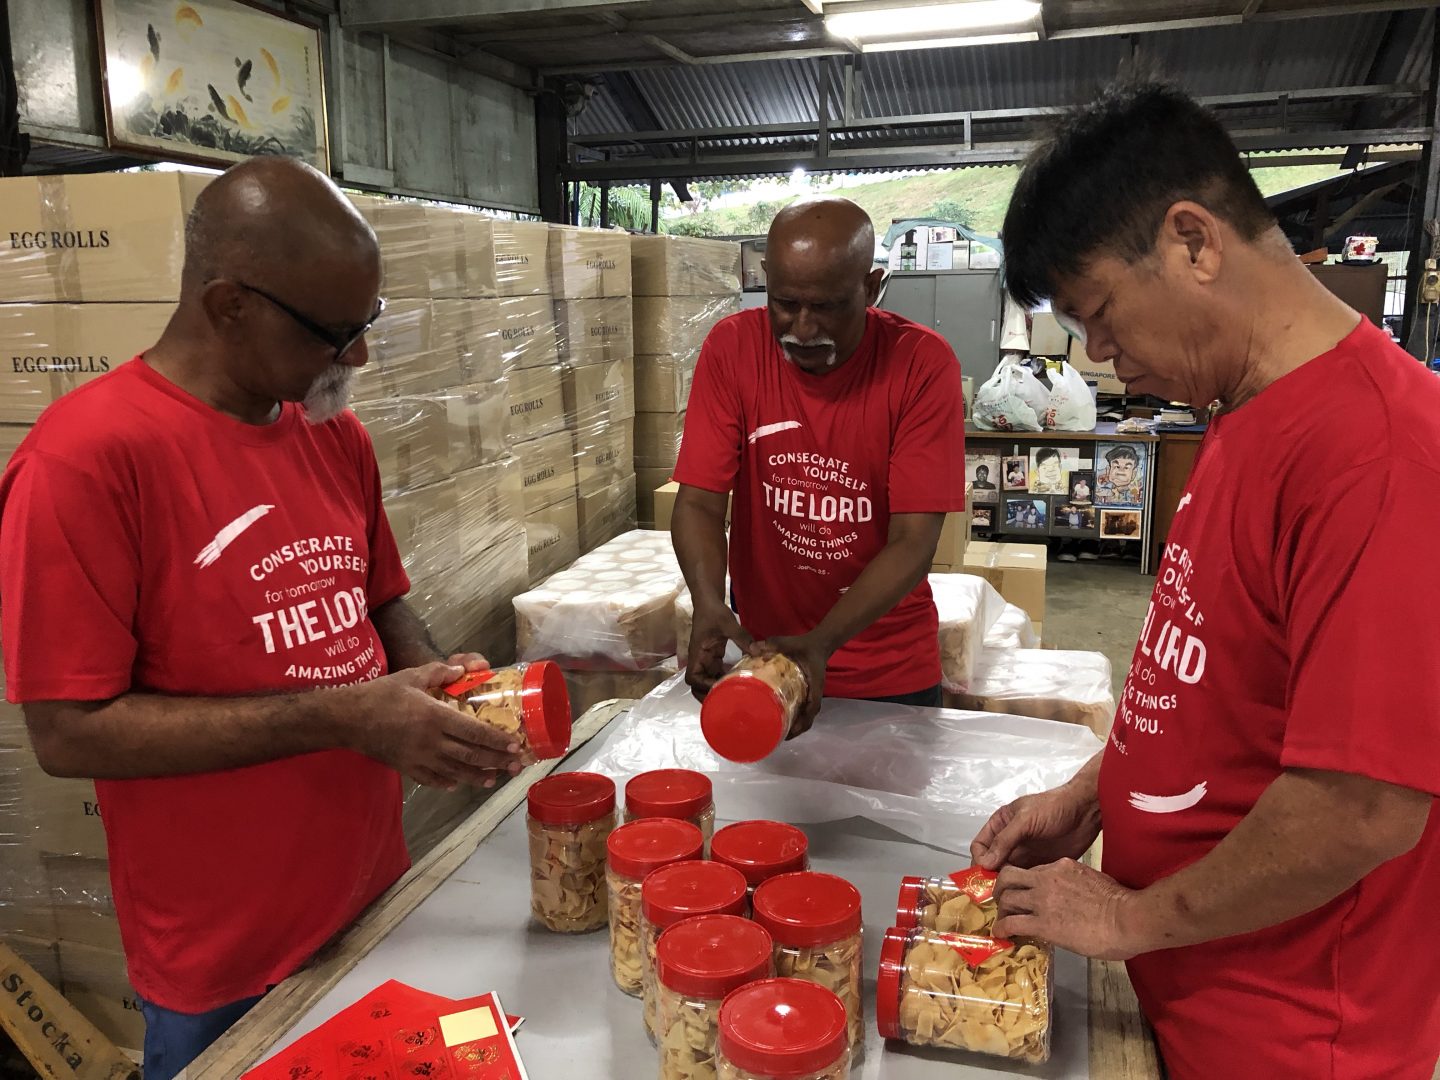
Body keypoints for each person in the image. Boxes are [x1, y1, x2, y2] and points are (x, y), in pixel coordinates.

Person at [0, 159, 525, 1080]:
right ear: (230, 305)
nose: (356, 358)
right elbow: (68, 732)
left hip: (374, 900)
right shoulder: (85, 463)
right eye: (337, 333)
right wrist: (341, 715)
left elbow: (381, 598)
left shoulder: (329, 431)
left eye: (368, 326)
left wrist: (448, 683)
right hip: (226, 965)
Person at [974, 78, 1440, 1078]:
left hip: (1293, 1038)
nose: (1099, 355)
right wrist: (1092, 794)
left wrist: (1132, 916)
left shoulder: (1380, 451)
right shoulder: (1240, 414)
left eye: (1099, 314)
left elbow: (1361, 808)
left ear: (1192, 241)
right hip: (1190, 996)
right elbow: (1217, 687)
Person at [672, 197, 966, 730]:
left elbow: (913, 542)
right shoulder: (732, 350)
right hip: (767, 663)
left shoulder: (921, 364)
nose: (802, 329)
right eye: (784, 303)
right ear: (765, 278)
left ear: (872, 288)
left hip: (889, 674)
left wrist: (820, 645)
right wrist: (709, 602)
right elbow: (698, 501)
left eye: (827, 307)